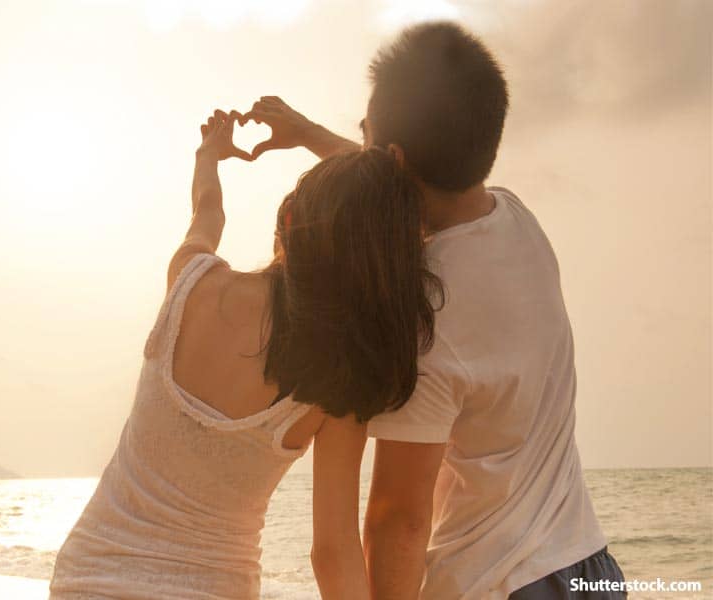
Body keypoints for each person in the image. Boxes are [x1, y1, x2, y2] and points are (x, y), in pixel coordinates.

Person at [241, 22, 627, 600]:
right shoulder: (518, 222)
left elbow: (398, 519)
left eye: (366, 134)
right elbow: (402, 186)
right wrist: (312, 134)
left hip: (495, 585)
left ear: (391, 157)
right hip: (588, 567)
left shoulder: (419, 318)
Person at [48, 109, 442, 600]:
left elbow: (207, 211)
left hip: (85, 579)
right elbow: (333, 553)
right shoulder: (336, 383)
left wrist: (209, 155)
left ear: (290, 217)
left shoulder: (190, 281)